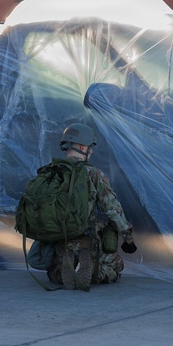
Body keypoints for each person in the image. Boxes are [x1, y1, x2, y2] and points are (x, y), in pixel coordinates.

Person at [46, 123, 136, 290]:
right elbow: (113, 210)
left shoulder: (51, 172)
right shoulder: (94, 174)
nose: (92, 152)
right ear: (82, 147)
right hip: (87, 237)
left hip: (59, 239)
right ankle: (95, 271)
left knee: (55, 274)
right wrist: (128, 239)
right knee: (116, 265)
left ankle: (62, 269)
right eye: (90, 147)